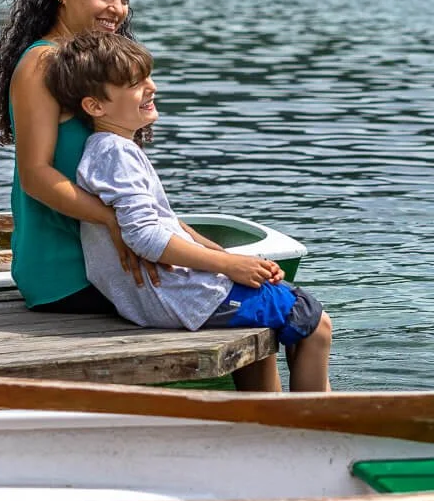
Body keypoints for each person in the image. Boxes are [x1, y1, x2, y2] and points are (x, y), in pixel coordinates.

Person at [46, 32, 334, 393]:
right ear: (95, 106)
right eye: (135, 84)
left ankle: (274, 416)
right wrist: (228, 265)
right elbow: (144, 235)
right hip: (185, 299)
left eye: (148, 77)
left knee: (280, 312)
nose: (151, 87)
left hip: (166, 299)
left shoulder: (107, 150)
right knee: (316, 322)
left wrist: (226, 257)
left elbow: (159, 223)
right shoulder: (116, 153)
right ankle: (317, 420)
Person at [0, 0, 153, 315]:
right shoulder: (43, 63)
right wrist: (113, 221)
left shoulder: (94, 65)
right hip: (67, 274)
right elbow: (35, 175)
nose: (117, 9)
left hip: (106, 258)